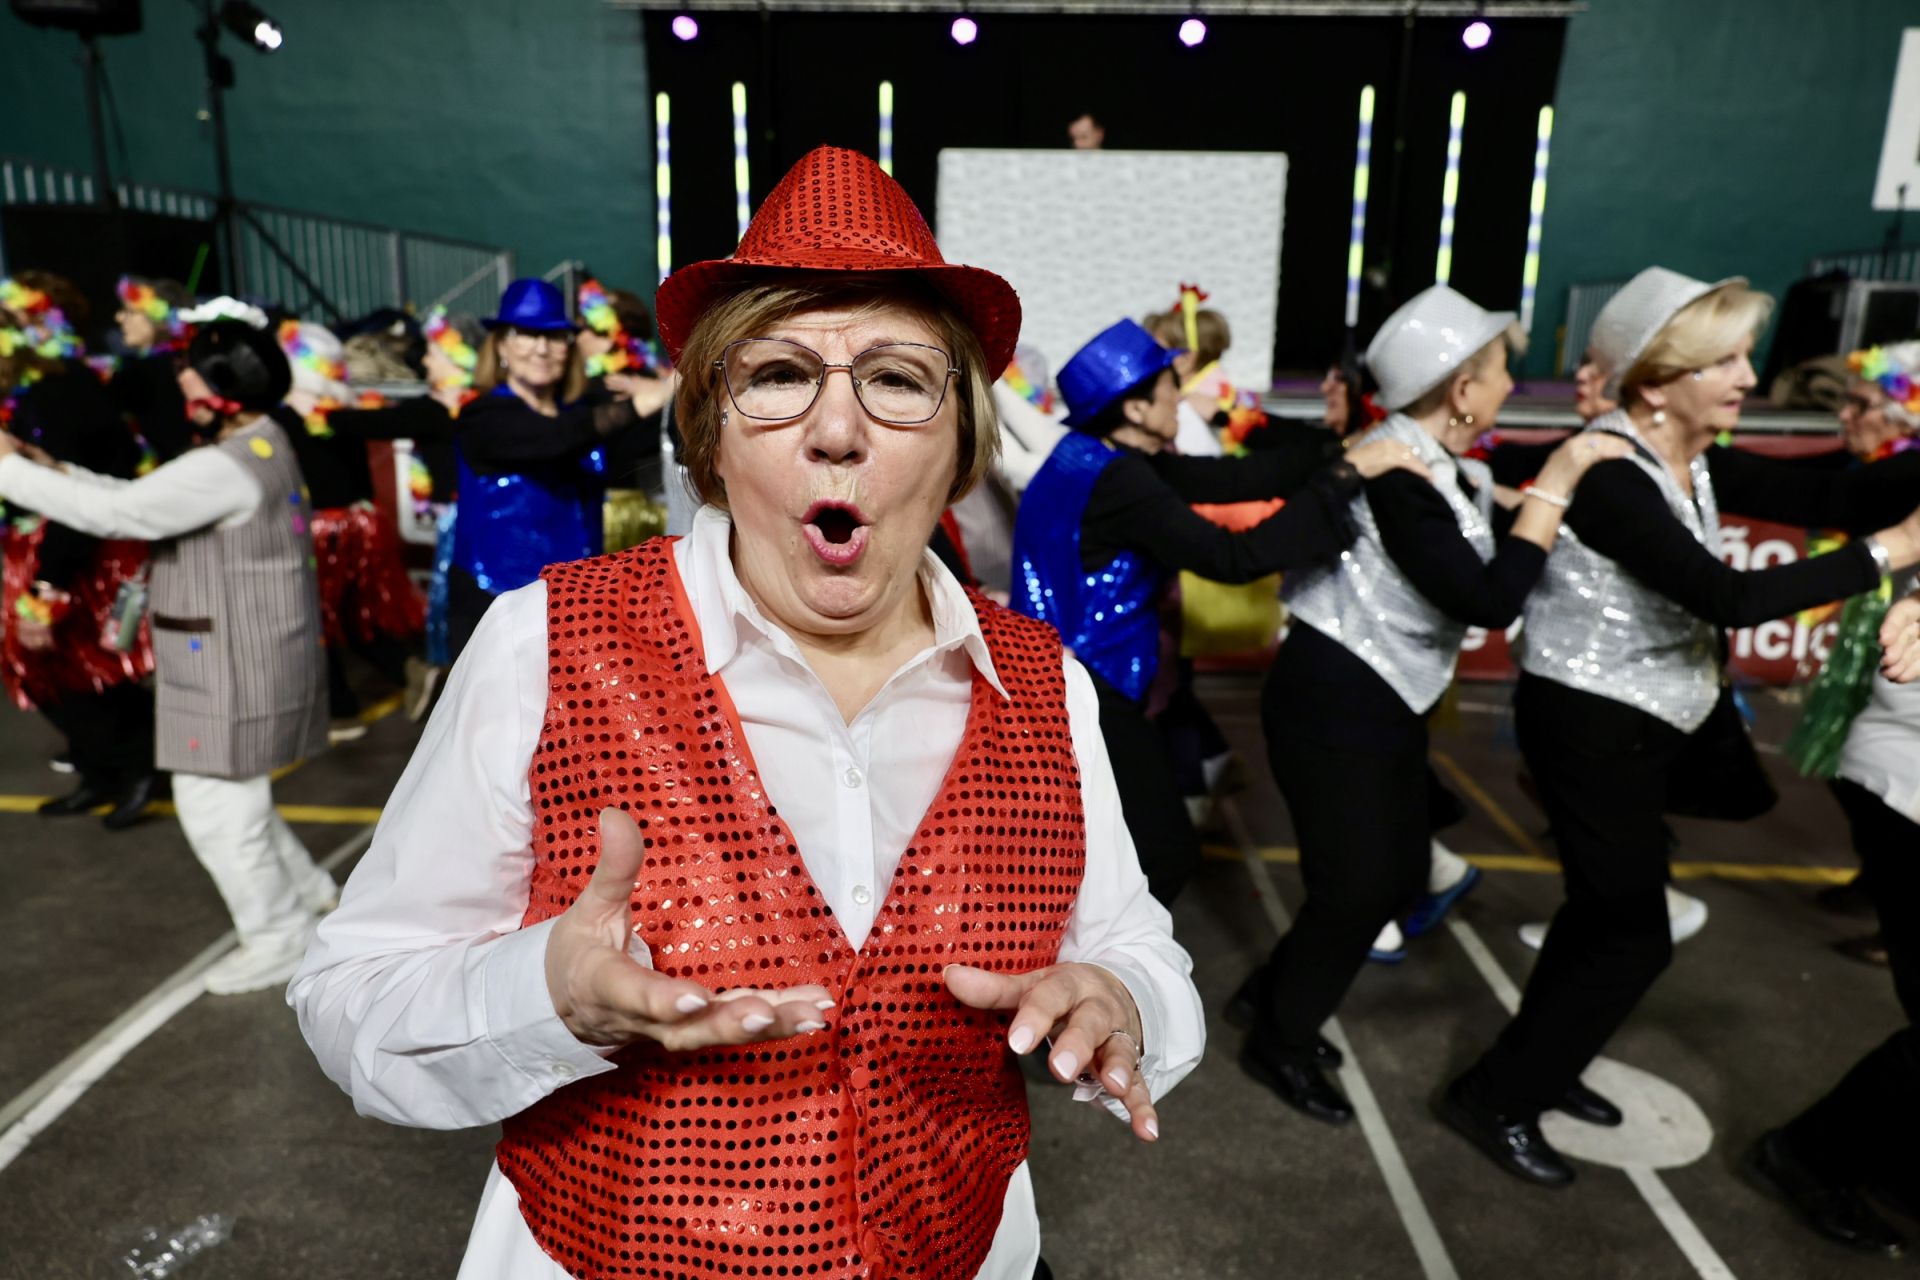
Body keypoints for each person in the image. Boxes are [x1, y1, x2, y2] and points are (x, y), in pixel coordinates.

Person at [290, 145, 1203, 1280]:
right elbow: (348, 997)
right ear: (710, 438)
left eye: (900, 378)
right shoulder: (545, 643)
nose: (837, 429)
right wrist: (545, 993)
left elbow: (1134, 944)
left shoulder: (1043, 681)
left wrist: (1125, 1000)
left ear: (960, 441)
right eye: (777, 374)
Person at [1441, 267, 1920, 1188]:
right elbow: (1726, 596)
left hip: (1637, 725)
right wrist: (1895, 552)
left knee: (1600, 922)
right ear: (1657, 382)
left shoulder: (1690, 455)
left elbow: (1826, 498)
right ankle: (1496, 1097)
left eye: (1746, 354)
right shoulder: (1613, 474)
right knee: (1631, 935)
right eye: (1725, 361)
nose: (1749, 376)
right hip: (1587, 725)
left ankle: (1542, 1064)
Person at [1232, 286, 1628, 1125]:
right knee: (1359, 890)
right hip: (1338, 704)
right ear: (1460, 391)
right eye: (1499, 373)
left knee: (1381, 873)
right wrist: (1551, 496)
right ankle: (1281, 1036)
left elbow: (1469, 493)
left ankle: (1270, 999)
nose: (1510, 388)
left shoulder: (1424, 459)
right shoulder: (1399, 476)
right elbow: (1486, 598)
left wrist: (1517, 501)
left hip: (1371, 702)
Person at [1011, 317, 1424, 904]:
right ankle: (1103, 976)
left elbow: (1232, 477)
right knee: (1163, 853)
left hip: (1062, 678)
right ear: (1133, 410)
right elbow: (1235, 558)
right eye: (1169, 389)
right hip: (1084, 688)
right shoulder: (1122, 482)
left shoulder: (1094, 455)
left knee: (1110, 851)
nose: (1183, 399)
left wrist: (1343, 449)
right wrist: (1344, 478)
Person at [0, 313, 335, 994]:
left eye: (189, 370)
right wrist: (49, 467)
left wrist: (7, 470)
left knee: (215, 807)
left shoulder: (223, 466)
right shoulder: (261, 443)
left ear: (222, 386)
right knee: (237, 799)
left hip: (232, 664)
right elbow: (139, 498)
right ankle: (311, 893)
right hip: (249, 655)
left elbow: (123, 516)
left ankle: (278, 937)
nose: (176, 378)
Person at [1752, 341, 1920, 1258]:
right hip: (1908, 771)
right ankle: (1807, 1155)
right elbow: (1810, 498)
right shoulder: (1898, 482)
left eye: (1869, 407)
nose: (1850, 422)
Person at [0, 272, 160, 828]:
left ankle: (135, 768)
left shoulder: (59, 394)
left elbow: (75, 500)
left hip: (74, 555)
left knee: (89, 673)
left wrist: (47, 590)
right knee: (52, 676)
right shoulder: (34, 396)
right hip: (42, 553)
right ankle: (101, 773)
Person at [445, 278, 646, 663]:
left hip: (577, 606)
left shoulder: (583, 413)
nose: (541, 347)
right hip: (494, 604)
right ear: (501, 344)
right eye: (527, 334)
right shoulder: (482, 417)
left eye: (554, 337)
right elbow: (548, 439)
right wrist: (642, 403)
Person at [325, 307, 481, 717]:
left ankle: (459, 693)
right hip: (472, 519)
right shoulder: (468, 403)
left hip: (463, 524)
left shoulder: (441, 410)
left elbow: (366, 424)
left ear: (455, 360)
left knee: (452, 611)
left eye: (433, 353)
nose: (425, 360)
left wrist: (316, 413)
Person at [277, 319, 424, 736]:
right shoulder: (341, 410)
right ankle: (410, 670)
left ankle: (341, 709)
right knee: (357, 616)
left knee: (320, 620)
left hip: (324, 531)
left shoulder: (291, 416)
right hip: (361, 524)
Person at [574, 277, 675, 551]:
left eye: (585, 327)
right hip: (659, 512)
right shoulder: (657, 380)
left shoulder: (605, 386)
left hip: (617, 516)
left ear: (610, 336)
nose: (577, 336)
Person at [106, 274, 195, 464]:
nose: (119, 317)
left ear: (159, 319)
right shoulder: (188, 359)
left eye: (129, 311)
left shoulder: (144, 370)